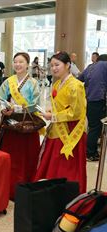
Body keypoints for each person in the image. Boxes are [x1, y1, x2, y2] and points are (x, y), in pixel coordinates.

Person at [34, 51, 87, 193]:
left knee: (67, 166)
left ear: (68, 65)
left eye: (57, 65)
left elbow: (76, 112)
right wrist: (51, 113)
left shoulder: (76, 86)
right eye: (52, 65)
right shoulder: (57, 84)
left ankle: (65, 195)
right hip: (57, 128)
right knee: (53, 162)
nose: (54, 68)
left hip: (70, 131)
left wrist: (53, 116)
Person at [0, 52, 42, 199]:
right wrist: (3, 108)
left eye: (21, 62)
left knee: (25, 158)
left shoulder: (33, 83)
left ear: (27, 64)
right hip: (10, 124)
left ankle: (22, 187)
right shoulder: (8, 81)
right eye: (15, 62)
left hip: (26, 125)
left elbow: (35, 105)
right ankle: (6, 186)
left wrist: (17, 109)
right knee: (9, 156)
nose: (17, 64)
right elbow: (0, 98)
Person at [78, 54, 107, 161]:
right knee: (96, 127)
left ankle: (91, 150)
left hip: (89, 100)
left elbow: (79, 79)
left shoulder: (90, 67)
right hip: (100, 100)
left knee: (92, 126)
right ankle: (90, 153)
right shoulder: (105, 65)